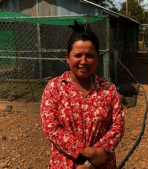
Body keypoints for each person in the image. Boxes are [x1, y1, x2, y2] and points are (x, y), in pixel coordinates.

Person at [40, 20, 124, 169]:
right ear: (67, 57)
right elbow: (51, 128)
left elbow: (117, 127)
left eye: (90, 56)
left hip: (100, 165)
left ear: (97, 58)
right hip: (64, 164)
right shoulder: (55, 87)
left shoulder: (108, 89)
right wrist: (88, 153)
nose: (84, 61)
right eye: (78, 55)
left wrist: (89, 165)